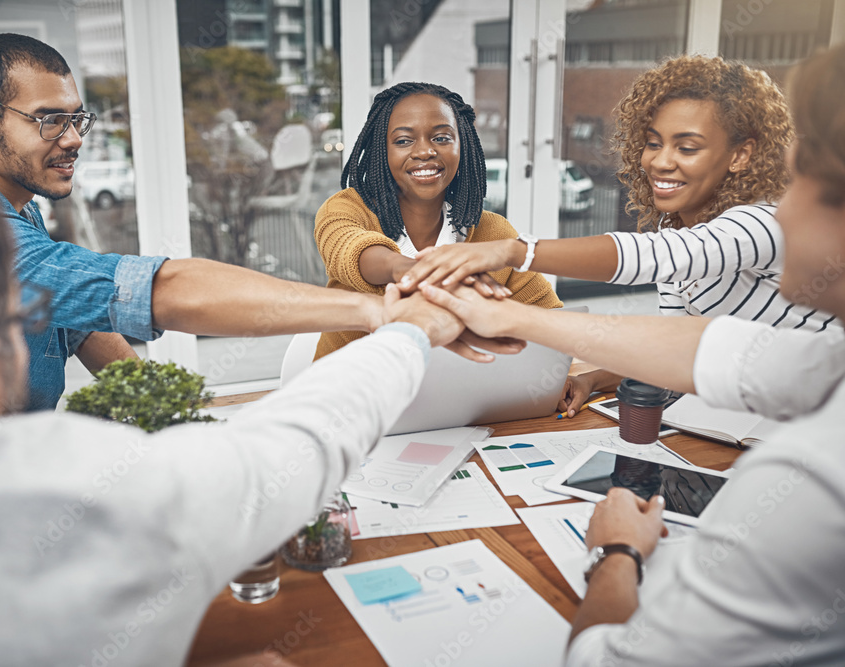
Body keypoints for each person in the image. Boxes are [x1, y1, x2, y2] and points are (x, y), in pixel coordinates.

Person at [0, 120, 471, 665]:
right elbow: (302, 440)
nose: (72, 138)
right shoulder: (111, 493)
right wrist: (404, 329)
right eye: (20, 319)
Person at [419, 44, 845, 665]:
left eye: (801, 178)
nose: (788, 203)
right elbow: (700, 344)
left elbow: (669, 266)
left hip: (740, 446)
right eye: (653, 141)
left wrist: (615, 551)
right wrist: (587, 366)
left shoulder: (753, 225)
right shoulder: (825, 361)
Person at [0, 34, 505, 411]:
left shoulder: (12, 204)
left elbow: (76, 311)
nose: (72, 139)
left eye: (76, 119)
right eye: (49, 120)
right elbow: (166, 290)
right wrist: (378, 309)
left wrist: (166, 409)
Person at [398, 56, 840, 415]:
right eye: (653, 143)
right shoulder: (678, 230)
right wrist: (593, 378)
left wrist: (515, 251)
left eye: (686, 148)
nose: (660, 162)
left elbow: (661, 255)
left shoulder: (758, 224)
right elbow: (675, 349)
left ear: (741, 155)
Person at [312, 81, 563, 360]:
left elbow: (548, 320)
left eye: (441, 138)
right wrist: (419, 272)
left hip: (468, 399)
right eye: (403, 141)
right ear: (381, 151)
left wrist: (569, 376)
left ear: (462, 146)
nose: (424, 152)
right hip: (352, 395)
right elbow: (349, 249)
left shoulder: (493, 232)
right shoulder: (348, 208)